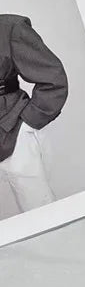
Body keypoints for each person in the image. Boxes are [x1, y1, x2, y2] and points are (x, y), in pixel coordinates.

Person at [0, 14, 68, 212]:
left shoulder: (10, 28)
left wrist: (28, 123)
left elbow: (53, 79)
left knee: (41, 212)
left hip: (10, 129)